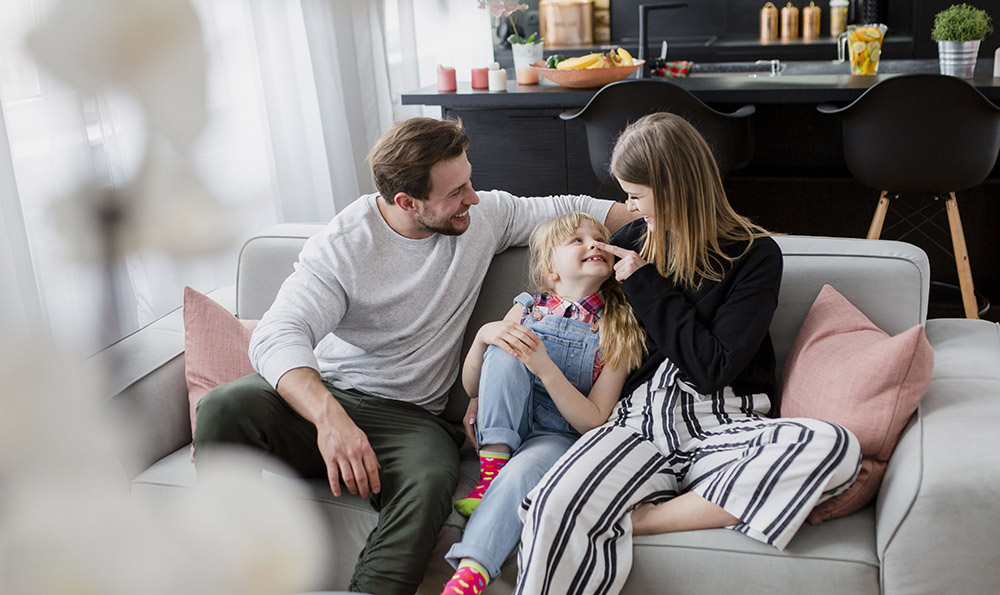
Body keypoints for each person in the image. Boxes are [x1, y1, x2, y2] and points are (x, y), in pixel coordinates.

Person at [192, 117, 633, 595]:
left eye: (470, 180)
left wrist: (666, 224)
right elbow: (278, 332)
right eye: (456, 191)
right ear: (407, 202)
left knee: (430, 480)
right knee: (223, 406)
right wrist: (329, 418)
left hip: (411, 420)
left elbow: (571, 208)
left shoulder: (480, 218)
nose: (473, 197)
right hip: (329, 395)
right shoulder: (345, 245)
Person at [515, 113, 862, 595]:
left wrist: (645, 284)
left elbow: (712, 367)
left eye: (635, 195)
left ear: (675, 187)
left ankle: (646, 519)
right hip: (637, 423)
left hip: (724, 423)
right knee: (553, 500)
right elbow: (563, 299)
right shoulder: (630, 242)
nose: (628, 206)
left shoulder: (754, 254)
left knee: (834, 445)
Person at [441, 213, 646, 595]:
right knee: (505, 351)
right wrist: (483, 337)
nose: (594, 244)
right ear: (550, 269)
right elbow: (474, 387)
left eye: (599, 239)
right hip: (504, 423)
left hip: (556, 437)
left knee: (521, 474)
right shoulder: (526, 308)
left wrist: (546, 368)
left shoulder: (619, 328)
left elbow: (595, 421)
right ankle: (490, 472)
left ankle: (465, 580)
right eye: (577, 240)